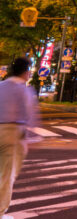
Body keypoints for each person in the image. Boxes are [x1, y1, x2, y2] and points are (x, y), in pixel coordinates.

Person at [1, 57, 41, 217]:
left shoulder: (1, 86)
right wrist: (31, 137)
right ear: (25, 72)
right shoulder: (24, 90)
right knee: (7, 174)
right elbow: (30, 115)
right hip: (12, 134)